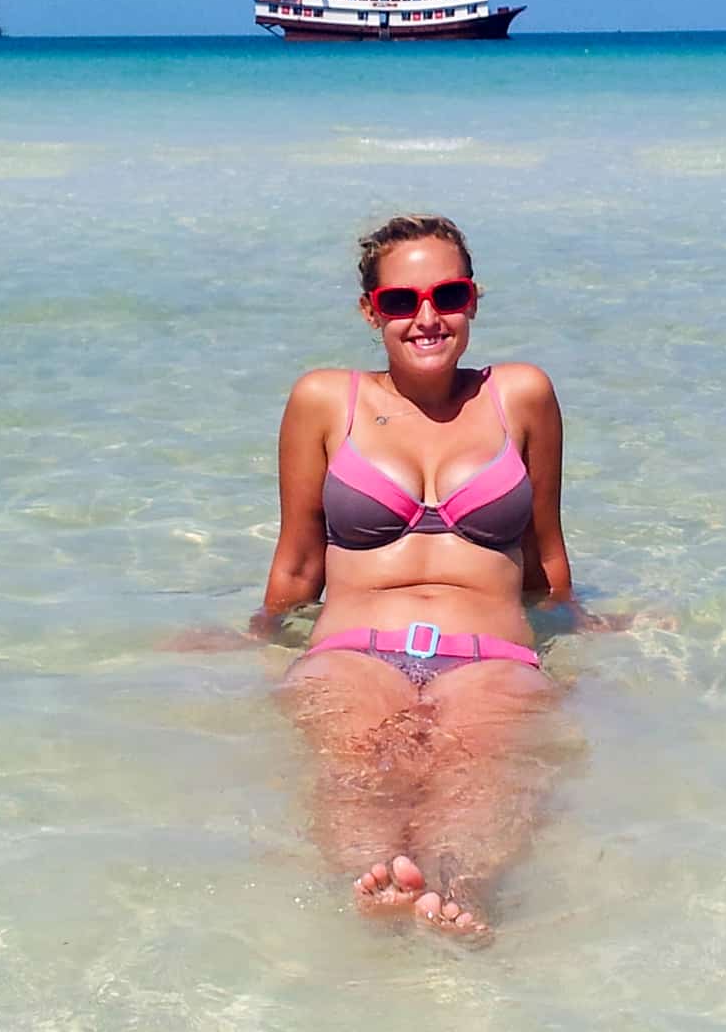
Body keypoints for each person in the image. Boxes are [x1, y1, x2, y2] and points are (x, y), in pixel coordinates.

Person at [258, 213, 578, 937]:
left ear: (473, 300)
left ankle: (454, 884)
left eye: (448, 295)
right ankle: (376, 879)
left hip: (489, 654)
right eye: (402, 301)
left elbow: (545, 553)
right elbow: (299, 559)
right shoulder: (323, 398)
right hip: (352, 649)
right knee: (355, 772)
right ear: (372, 311)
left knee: (482, 776)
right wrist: (258, 635)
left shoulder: (521, 393)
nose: (427, 317)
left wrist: (581, 632)